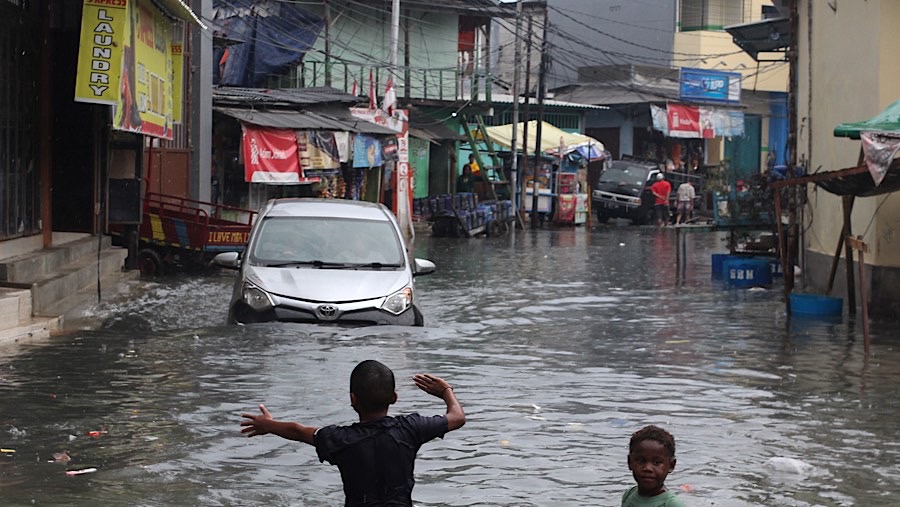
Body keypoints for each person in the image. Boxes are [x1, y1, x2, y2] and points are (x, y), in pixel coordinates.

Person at [240, 360, 465, 506]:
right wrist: (446, 391)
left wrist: (269, 425)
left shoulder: (340, 440)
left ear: (353, 399)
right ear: (394, 398)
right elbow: (457, 417)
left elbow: (299, 431)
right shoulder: (411, 428)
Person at [622, 425, 686, 507]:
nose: (647, 468)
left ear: (671, 465)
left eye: (656, 462)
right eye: (641, 461)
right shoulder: (629, 495)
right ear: (629, 462)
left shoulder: (671, 504)